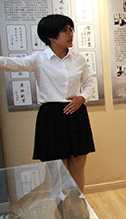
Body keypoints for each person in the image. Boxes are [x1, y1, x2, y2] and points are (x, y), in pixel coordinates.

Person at [0, 14, 95, 192]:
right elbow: (13, 64)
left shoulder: (78, 59)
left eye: (71, 30)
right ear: (51, 36)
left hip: (76, 113)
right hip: (51, 117)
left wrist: (82, 98)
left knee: (78, 167)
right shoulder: (39, 58)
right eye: (65, 30)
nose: (71, 34)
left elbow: (89, 84)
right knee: (58, 172)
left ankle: (79, 207)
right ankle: (63, 208)